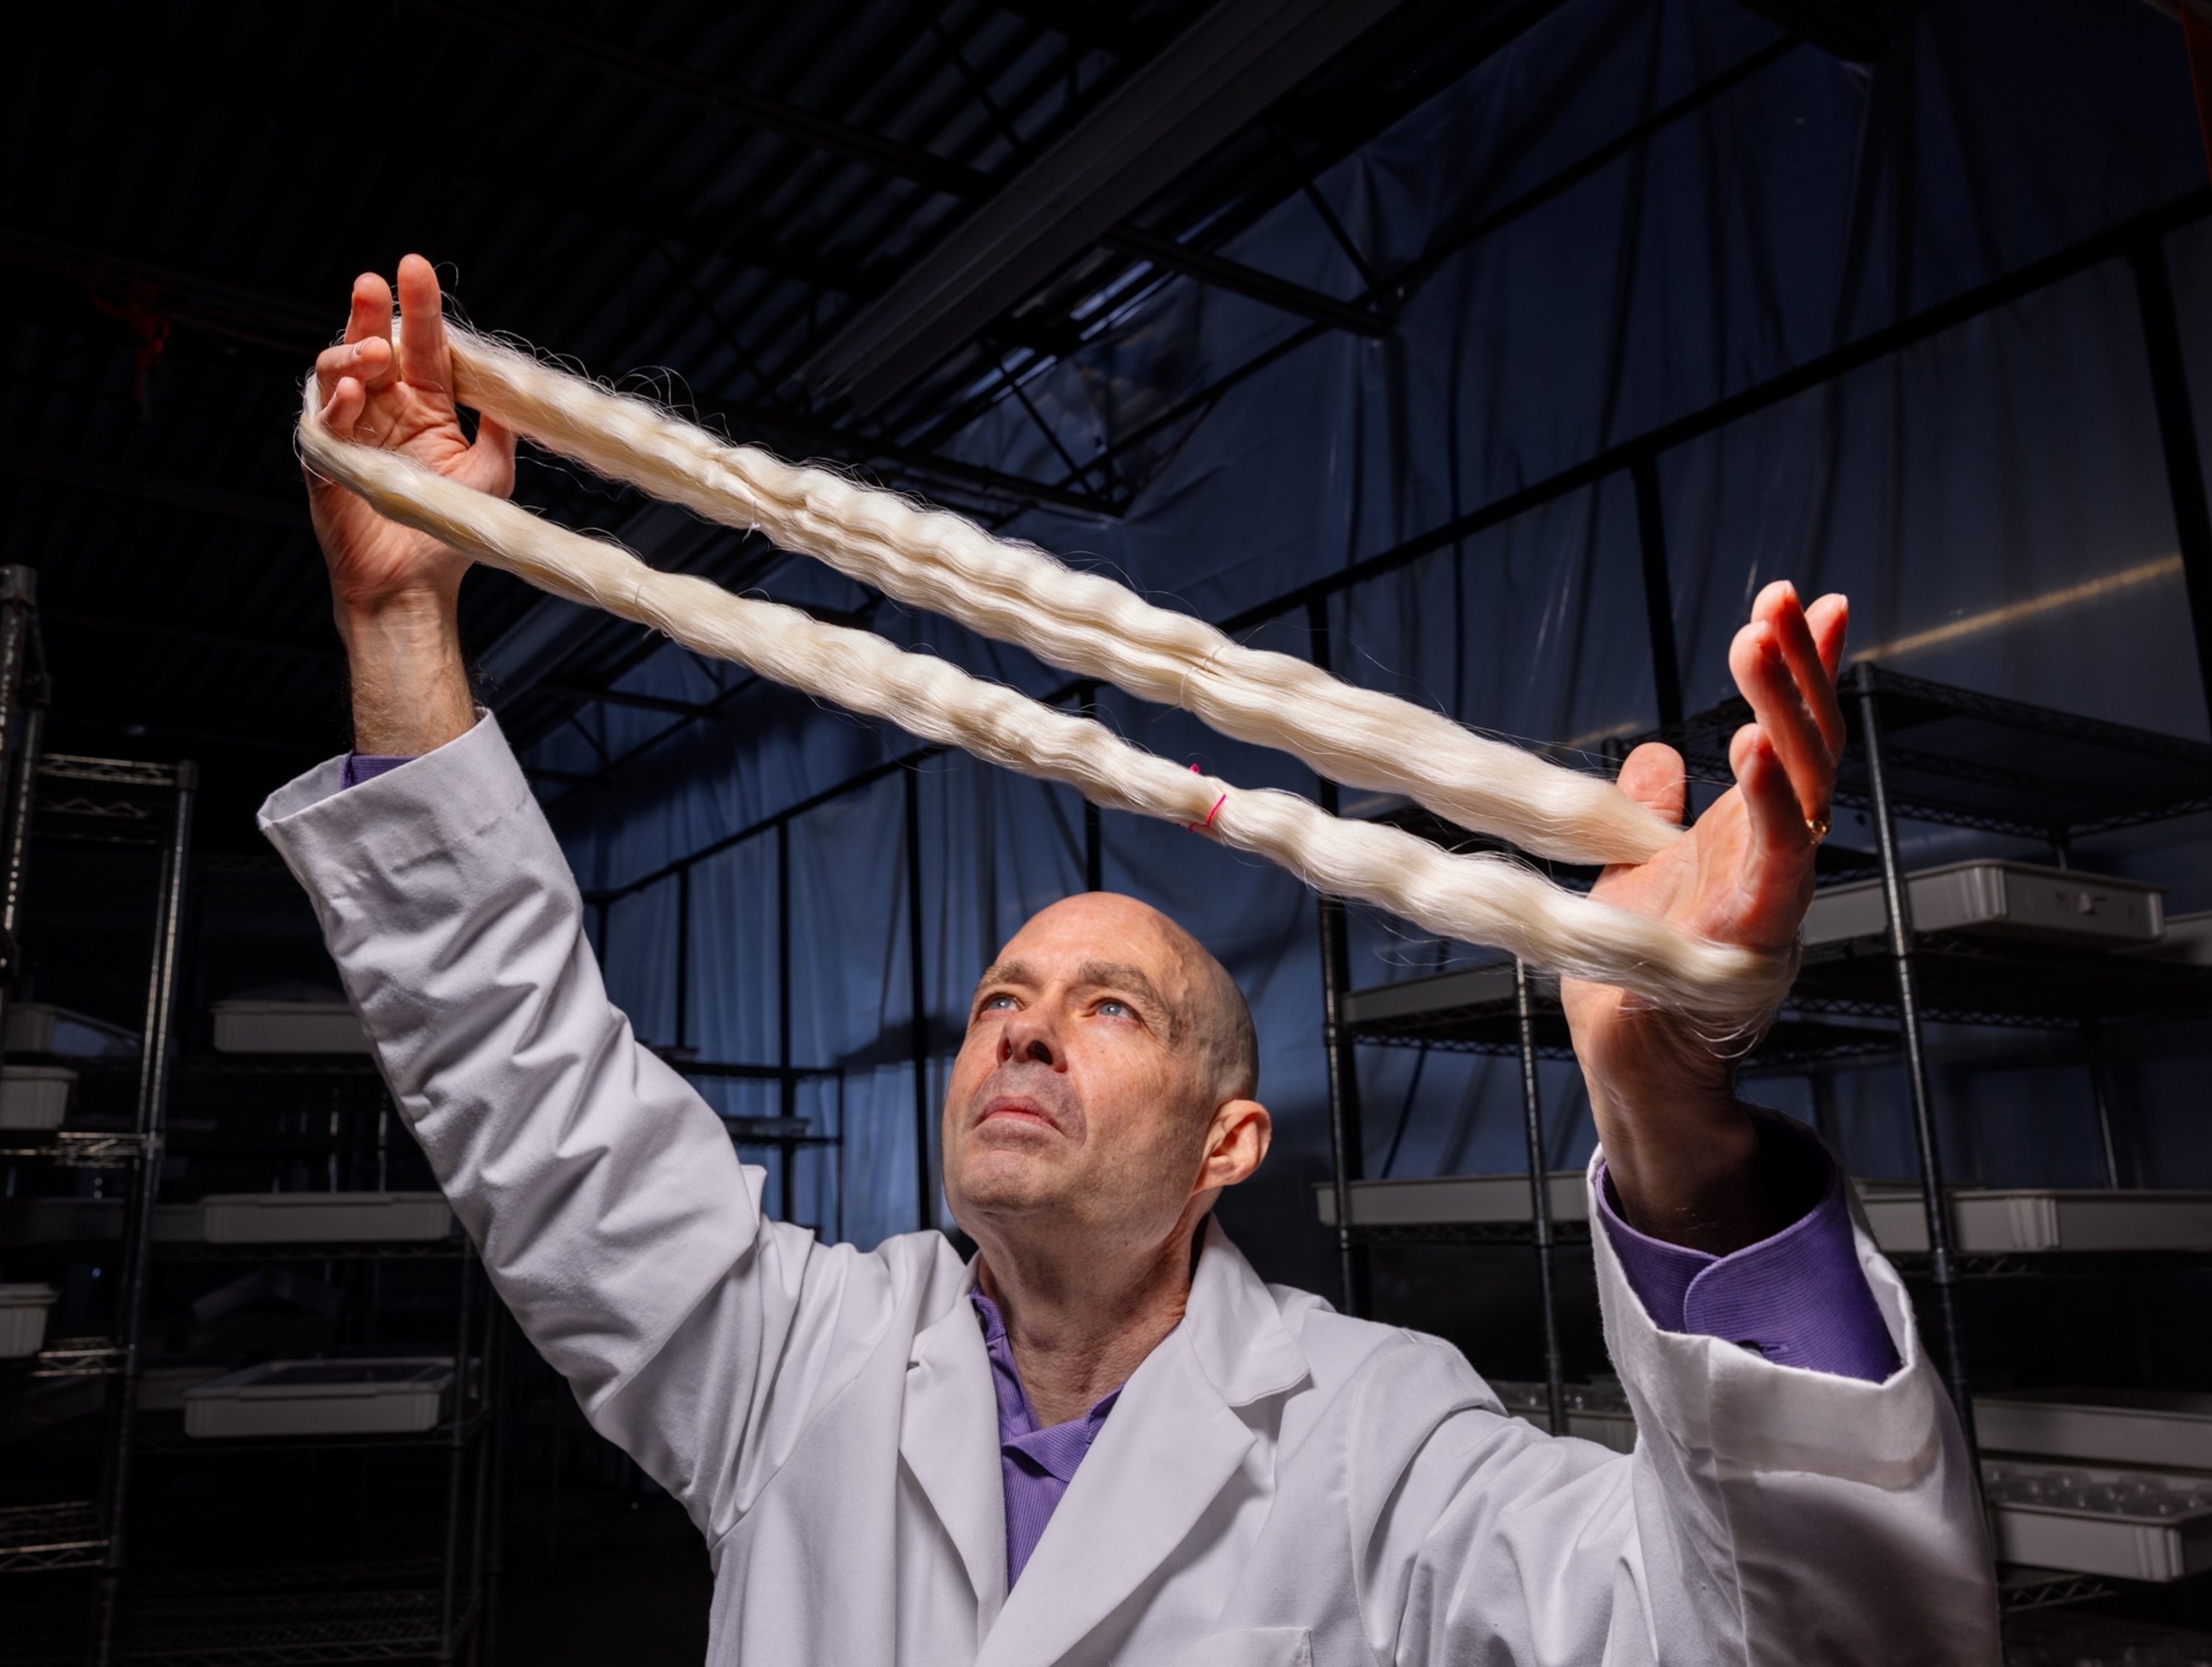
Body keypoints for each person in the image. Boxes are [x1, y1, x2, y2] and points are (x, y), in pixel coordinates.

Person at [268, 256, 1996, 1666]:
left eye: (1111, 1010)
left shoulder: (1378, 1440)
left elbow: (1804, 1645)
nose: (1022, 1036)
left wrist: (1674, 1125)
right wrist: (403, 621)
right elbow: (533, 1098)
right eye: (1000, 1004)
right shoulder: (794, 1363)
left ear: (1227, 1145)